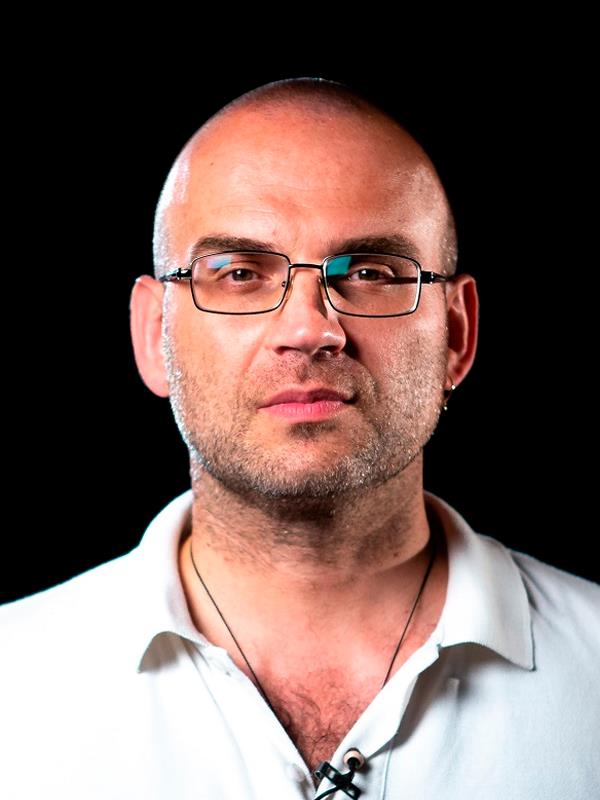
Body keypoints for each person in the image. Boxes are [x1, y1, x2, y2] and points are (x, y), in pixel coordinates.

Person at [1, 77, 598, 800]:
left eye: (370, 273)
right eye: (239, 273)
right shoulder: (14, 683)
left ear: (456, 335)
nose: (309, 329)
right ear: (155, 336)